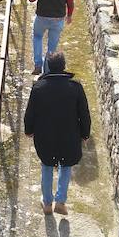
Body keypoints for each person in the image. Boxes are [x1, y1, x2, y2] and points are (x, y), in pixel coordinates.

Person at [24, 52, 91, 215]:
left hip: (45, 136)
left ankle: (47, 203)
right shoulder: (75, 87)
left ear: (48, 66)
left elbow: (30, 113)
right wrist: (85, 134)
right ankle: (60, 201)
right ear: (63, 66)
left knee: (47, 165)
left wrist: (29, 130)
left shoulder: (38, 87)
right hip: (69, 135)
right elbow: (84, 113)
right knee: (66, 165)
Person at [27, 0, 74, 76]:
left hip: (42, 16)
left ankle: (37, 64)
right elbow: (70, 1)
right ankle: (47, 70)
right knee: (52, 46)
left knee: (37, 37)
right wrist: (69, 15)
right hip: (58, 19)